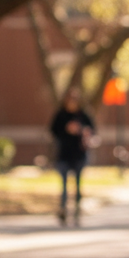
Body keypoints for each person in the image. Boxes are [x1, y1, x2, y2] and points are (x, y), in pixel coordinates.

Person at [49, 86, 95, 225]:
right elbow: (53, 131)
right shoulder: (61, 115)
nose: (72, 102)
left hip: (79, 154)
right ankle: (63, 209)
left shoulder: (83, 115)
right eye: (70, 99)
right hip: (63, 154)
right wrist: (66, 129)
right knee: (63, 186)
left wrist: (82, 130)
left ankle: (77, 211)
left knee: (78, 185)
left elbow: (92, 130)